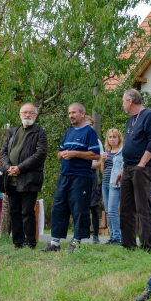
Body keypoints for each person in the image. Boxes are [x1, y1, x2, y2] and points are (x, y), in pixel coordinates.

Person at [44, 103, 101, 253]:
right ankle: (54, 243)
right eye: (69, 113)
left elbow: (96, 154)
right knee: (58, 207)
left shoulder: (89, 132)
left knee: (79, 209)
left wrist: (75, 153)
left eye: (74, 113)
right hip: (65, 176)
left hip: (81, 177)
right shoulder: (69, 133)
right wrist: (62, 154)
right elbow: (59, 154)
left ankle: (77, 243)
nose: (71, 116)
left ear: (82, 114)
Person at [0, 103, 49, 250]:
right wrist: (9, 168)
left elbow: (39, 155)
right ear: (20, 115)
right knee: (14, 212)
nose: (27, 115)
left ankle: (30, 243)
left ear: (35, 115)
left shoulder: (40, 133)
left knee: (27, 211)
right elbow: (2, 152)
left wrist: (20, 169)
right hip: (11, 179)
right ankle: (17, 243)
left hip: (29, 179)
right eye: (25, 112)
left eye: (31, 113)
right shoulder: (12, 132)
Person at [117, 89, 151, 251]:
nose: (122, 104)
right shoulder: (131, 119)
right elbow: (129, 145)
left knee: (142, 207)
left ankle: (145, 246)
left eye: (123, 101)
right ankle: (128, 244)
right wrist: (123, 169)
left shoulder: (149, 115)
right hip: (128, 167)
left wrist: (142, 164)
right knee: (125, 207)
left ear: (130, 101)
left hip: (141, 168)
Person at [100, 129, 124, 245]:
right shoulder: (107, 151)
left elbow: (125, 165)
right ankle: (113, 236)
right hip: (105, 182)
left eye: (114, 137)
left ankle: (117, 237)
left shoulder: (122, 151)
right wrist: (102, 160)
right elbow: (102, 171)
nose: (112, 139)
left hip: (115, 183)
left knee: (112, 211)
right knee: (108, 211)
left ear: (119, 138)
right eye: (110, 137)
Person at [86, 116, 104, 244]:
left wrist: (89, 166)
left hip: (92, 173)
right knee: (79, 206)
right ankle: (80, 234)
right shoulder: (77, 139)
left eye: (91, 125)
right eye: (87, 125)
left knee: (93, 205)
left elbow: (101, 160)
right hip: (79, 175)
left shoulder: (97, 141)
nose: (89, 127)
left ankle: (96, 236)